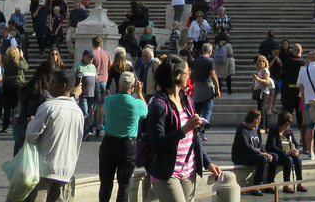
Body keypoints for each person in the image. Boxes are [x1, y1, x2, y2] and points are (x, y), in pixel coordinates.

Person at [147, 55, 222, 202]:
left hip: (189, 170)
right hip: (167, 172)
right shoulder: (158, 105)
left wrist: (208, 162)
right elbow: (156, 143)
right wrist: (184, 130)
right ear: (177, 75)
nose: (190, 73)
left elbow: (194, 138)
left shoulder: (188, 101)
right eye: (187, 70)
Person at [26, 69, 84, 202]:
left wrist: (31, 123)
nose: (49, 85)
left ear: (63, 86)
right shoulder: (78, 111)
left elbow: (31, 135)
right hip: (66, 170)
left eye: (53, 82)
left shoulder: (48, 107)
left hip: (44, 171)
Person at [99, 70, 147, 202]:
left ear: (119, 84)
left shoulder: (109, 100)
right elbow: (146, 112)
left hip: (108, 143)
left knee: (105, 184)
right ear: (133, 86)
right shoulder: (137, 104)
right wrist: (139, 93)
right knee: (124, 185)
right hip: (128, 146)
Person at [231, 109, 277, 195]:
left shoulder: (256, 129)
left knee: (274, 156)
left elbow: (260, 144)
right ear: (252, 119)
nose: (259, 121)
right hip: (241, 156)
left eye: (260, 119)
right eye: (257, 119)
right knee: (262, 158)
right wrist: (261, 154)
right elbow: (247, 147)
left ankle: (269, 183)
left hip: (255, 154)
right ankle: (256, 185)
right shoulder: (242, 129)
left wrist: (266, 153)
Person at [266, 111, 307, 193]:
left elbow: (296, 144)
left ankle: (299, 183)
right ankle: (286, 184)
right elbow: (272, 146)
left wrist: (297, 151)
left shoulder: (289, 132)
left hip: (289, 153)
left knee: (298, 159)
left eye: (289, 125)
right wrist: (286, 152)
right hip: (279, 155)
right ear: (281, 123)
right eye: (286, 124)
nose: (287, 127)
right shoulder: (274, 131)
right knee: (289, 160)